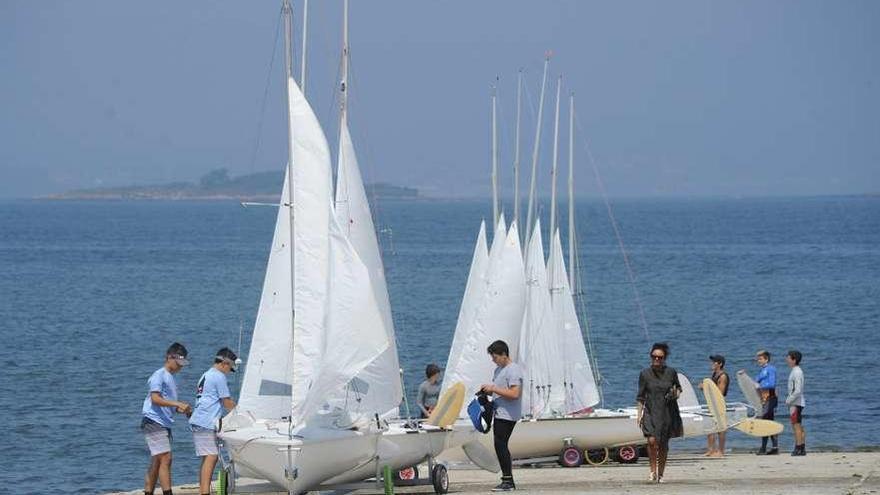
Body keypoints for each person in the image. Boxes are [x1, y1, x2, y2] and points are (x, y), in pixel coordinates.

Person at [141, 342, 192, 495]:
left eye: (183, 364)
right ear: (170, 357)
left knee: (157, 460)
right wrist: (176, 403)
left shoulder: (171, 378)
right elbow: (155, 398)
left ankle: (148, 492)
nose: (180, 367)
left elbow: (167, 405)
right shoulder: (159, 375)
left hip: (163, 423)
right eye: (178, 363)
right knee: (166, 458)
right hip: (153, 421)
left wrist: (182, 409)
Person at [189, 347, 238, 495]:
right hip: (206, 421)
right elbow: (227, 403)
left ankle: (203, 491)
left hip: (199, 420)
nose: (229, 372)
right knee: (211, 457)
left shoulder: (206, 374)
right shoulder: (218, 376)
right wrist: (244, 412)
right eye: (230, 368)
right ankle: (204, 492)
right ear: (224, 363)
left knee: (207, 458)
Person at [637, 342, 683, 483]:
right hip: (650, 410)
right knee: (651, 441)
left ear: (665, 358)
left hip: (667, 411)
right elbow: (640, 396)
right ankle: (652, 471)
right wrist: (639, 414)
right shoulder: (645, 374)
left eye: (660, 357)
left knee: (663, 444)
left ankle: (661, 474)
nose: (657, 360)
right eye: (654, 357)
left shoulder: (671, 372)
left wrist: (676, 393)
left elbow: (679, 388)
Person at [480, 340, 522, 492]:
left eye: (495, 357)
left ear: (504, 354)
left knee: (500, 444)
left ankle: (508, 481)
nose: (493, 360)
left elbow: (515, 393)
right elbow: (498, 389)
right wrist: (487, 390)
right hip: (499, 412)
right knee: (499, 444)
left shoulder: (513, 370)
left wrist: (494, 389)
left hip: (508, 413)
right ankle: (507, 479)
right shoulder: (499, 370)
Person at [703, 354, 729, 457]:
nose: (712, 364)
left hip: (719, 404)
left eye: (714, 362)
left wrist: (706, 388)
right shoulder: (714, 374)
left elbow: (720, 393)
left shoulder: (722, 376)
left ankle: (721, 451)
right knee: (710, 427)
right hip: (712, 404)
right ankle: (711, 450)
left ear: (720, 364)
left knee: (721, 428)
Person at [755, 349, 779, 455]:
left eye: (760, 359)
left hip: (770, 398)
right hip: (764, 399)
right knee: (768, 422)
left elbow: (772, 384)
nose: (758, 361)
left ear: (766, 359)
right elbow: (755, 381)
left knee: (766, 422)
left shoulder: (771, 369)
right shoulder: (762, 370)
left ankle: (766, 448)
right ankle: (772, 447)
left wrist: (760, 386)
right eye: (758, 359)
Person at [785, 350, 806, 456]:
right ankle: (801, 447)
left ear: (794, 359)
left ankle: (798, 447)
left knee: (796, 426)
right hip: (796, 402)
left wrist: (789, 400)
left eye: (788, 358)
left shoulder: (797, 372)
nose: (786, 360)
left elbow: (797, 390)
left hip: (796, 403)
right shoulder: (795, 371)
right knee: (798, 425)